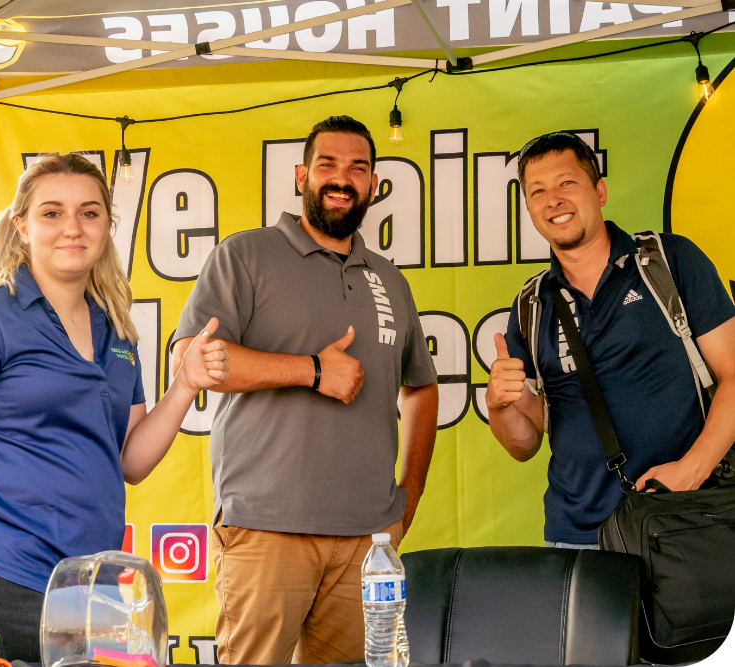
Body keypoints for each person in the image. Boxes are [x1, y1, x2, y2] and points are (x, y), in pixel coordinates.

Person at [0, 153, 229, 661]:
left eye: (89, 213)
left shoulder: (116, 333)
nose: (72, 227)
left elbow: (130, 462)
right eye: (52, 213)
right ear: (22, 227)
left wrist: (185, 384)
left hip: (85, 593)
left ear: (106, 227)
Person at [171, 116, 439, 664]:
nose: (342, 179)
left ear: (372, 185)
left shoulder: (389, 279)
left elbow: (422, 388)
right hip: (266, 530)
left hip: (368, 543)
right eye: (328, 165)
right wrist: (311, 371)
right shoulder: (246, 255)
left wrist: (404, 500)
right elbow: (193, 360)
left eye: (357, 169)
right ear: (301, 176)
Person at [486, 131, 735, 548]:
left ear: (598, 191)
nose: (554, 200)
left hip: (683, 518)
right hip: (575, 538)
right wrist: (499, 406)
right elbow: (524, 444)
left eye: (567, 183)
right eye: (538, 191)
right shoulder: (532, 304)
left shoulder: (668, 261)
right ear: (528, 207)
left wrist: (692, 470)